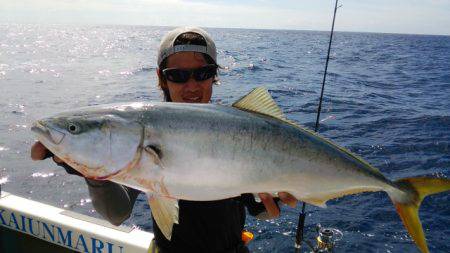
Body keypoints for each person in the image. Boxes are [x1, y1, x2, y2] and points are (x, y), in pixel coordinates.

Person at [31, 27, 297, 253]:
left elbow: (260, 210)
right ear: (162, 78)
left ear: (214, 75)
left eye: (202, 73)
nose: (192, 85)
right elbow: (117, 213)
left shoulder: (240, 133)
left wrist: (275, 198)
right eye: (178, 75)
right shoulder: (139, 134)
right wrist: (93, 173)